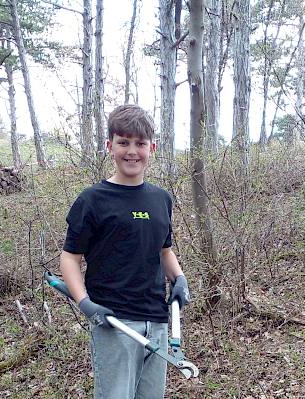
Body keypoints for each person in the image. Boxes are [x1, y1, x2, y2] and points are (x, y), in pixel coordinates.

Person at [59, 104, 191, 399]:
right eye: (124, 142)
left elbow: (164, 250)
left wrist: (179, 279)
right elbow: (69, 258)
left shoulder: (161, 199)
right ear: (110, 146)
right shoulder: (92, 200)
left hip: (157, 321)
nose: (132, 151)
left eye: (140, 143)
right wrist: (86, 304)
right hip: (114, 322)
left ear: (151, 147)